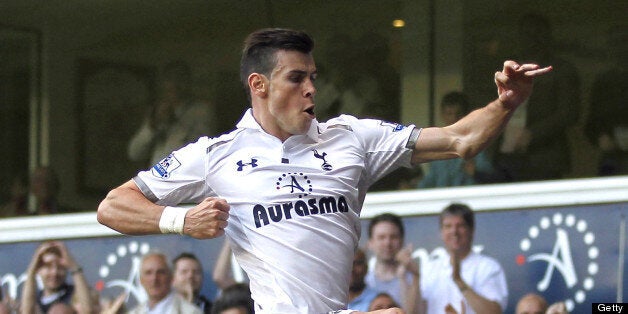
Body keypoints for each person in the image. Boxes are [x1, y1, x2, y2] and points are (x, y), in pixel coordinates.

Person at [96, 28, 551, 313]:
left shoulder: (352, 137)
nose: (312, 88)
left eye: (313, 76)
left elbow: (460, 139)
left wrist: (505, 103)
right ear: (259, 85)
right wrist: (181, 220)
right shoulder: (215, 154)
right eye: (296, 78)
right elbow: (113, 206)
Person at [494, 12, 580, 182]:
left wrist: (533, 134)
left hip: (544, 157)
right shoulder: (509, 70)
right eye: (525, 34)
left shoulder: (561, 70)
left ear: (546, 37)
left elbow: (569, 113)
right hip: (506, 156)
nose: (530, 40)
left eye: (535, 34)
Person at [420, 203, 508, 314]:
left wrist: (459, 280)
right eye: (448, 226)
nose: (454, 232)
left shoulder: (488, 267)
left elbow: (494, 312)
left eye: (460, 226)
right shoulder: (429, 268)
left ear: (471, 230)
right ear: (441, 232)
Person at [127, 60, 212, 166]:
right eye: (170, 79)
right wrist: (153, 126)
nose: (175, 85)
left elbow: (200, 151)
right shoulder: (157, 112)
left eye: (180, 79)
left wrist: (176, 122)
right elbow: (134, 154)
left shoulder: (200, 111)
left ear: (189, 83)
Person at [418, 92, 496, 188]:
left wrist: (475, 173)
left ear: (466, 115)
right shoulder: (437, 145)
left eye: (458, 114)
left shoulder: (476, 143)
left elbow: (492, 179)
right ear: (443, 115)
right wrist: (413, 188)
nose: (453, 118)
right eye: (449, 114)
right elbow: (431, 179)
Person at [584, 25, 628, 176]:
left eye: (624, 42)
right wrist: (600, 137)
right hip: (612, 159)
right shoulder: (604, 81)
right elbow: (592, 123)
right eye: (615, 44)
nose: (621, 49)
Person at [366, 213, 420, 313]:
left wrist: (406, 276)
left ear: (402, 240)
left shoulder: (413, 279)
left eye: (393, 237)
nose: (388, 243)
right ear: (370, 243)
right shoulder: (363, 280)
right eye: (381, 237)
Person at [20, 241, 93, 314]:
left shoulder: (74, 294)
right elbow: (26, 311)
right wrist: (32, 271)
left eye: (60, 267)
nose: (54, 272)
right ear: (38, 268)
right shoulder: (36, 300)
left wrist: (74, 266)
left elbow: (87, 310)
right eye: (48, 266)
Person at [128, 251, 202, 314]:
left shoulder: (191, 312)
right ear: (141, 280)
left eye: (160, 272)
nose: (154, 278)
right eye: (148, 273)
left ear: (171, 277)